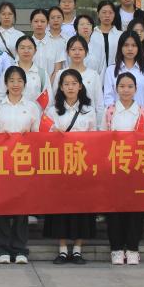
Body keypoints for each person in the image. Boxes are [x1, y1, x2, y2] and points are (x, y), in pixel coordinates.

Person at [44, 69, 98, 264]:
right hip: (59, 165)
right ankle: (62, 249)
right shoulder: (52, 111)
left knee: (81, 207)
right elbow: (45, 137)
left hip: (82, 165)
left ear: (80, 86)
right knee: (60, 206)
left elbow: (95, 137)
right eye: (66, 84)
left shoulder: (89, 110)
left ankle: (77, 249)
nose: (70, 87)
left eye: (74, 83)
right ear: (60, 87)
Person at [0, 66, 37, 264]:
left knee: (21, 207)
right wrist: (0, 137)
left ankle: (20, 249)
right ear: (6, 84)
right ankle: (2, 249)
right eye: (11, 80)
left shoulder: (32, 107)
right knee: (2, 206)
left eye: (19, 80)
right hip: (1, 162)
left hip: (24, 163)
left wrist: (29, 136)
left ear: (24, 83)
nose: (15, 84)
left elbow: (40, 136)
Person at [103, 72, 144, 265]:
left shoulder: (142, 112)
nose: (126, 90)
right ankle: (116, 248)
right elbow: (101, 138)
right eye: (122, 86)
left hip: (136, 167)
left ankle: (133, 248)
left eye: (130, 86)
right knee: (115, 209)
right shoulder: (110, 112)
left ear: (136, 89)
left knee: (135, 210)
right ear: (116, 89)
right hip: (114, 168)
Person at [103, 31, 144, 129]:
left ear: (138, 48)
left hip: (141, 121)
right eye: (126, 45)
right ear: (120, 47)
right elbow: (108, 96)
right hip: (117, 121)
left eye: (134, 45)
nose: (130, 49)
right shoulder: (111, 70)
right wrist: (112, 117)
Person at [53, 36, 104, 123]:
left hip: (88, 123)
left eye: (80, 49)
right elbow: (55, 100)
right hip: (63, 122)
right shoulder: (60, 74)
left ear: (86, 52)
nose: (77, 53)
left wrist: (98, 127)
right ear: (67, 52)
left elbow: (99, 104)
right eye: (73, 49)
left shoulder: (94, 75)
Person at [0, 35, 49, 103]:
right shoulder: (8, 72)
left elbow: (48, 99)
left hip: (35, 109)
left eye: (29, 48)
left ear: (35, 51)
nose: (26, 51)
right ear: (16, 50)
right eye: (22, 48)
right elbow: (0, 95)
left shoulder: (41, 73)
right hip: (12, 109)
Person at [30, 9, 64, 77]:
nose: (39, 24)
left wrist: (48, 83)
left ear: (47, 23)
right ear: (31, 23)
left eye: (43, 21)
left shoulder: (56, 44)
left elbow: (57, 70)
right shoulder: (25, 44)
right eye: (36, 21)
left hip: (51, 82)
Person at [92, 1, 122, 73]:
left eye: (110, 13)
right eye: (104, 12)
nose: (107, 15)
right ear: (98, 14)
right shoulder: (91, 34)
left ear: (114, 15)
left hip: (116, 74)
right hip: (95, 74)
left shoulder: (120, 35)